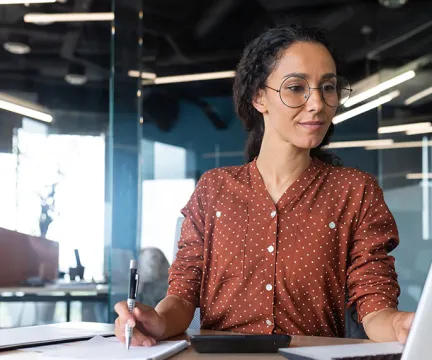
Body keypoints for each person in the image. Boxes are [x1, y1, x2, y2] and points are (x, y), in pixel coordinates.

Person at [114, 24, 414, 347]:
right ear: (259, 97)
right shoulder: (214, 190)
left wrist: (401, 324)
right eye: (297, 87)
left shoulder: (355, 192)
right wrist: (156, 321)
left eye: (328, 87)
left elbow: (375, 305)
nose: (317, 103)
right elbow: (182, 298)